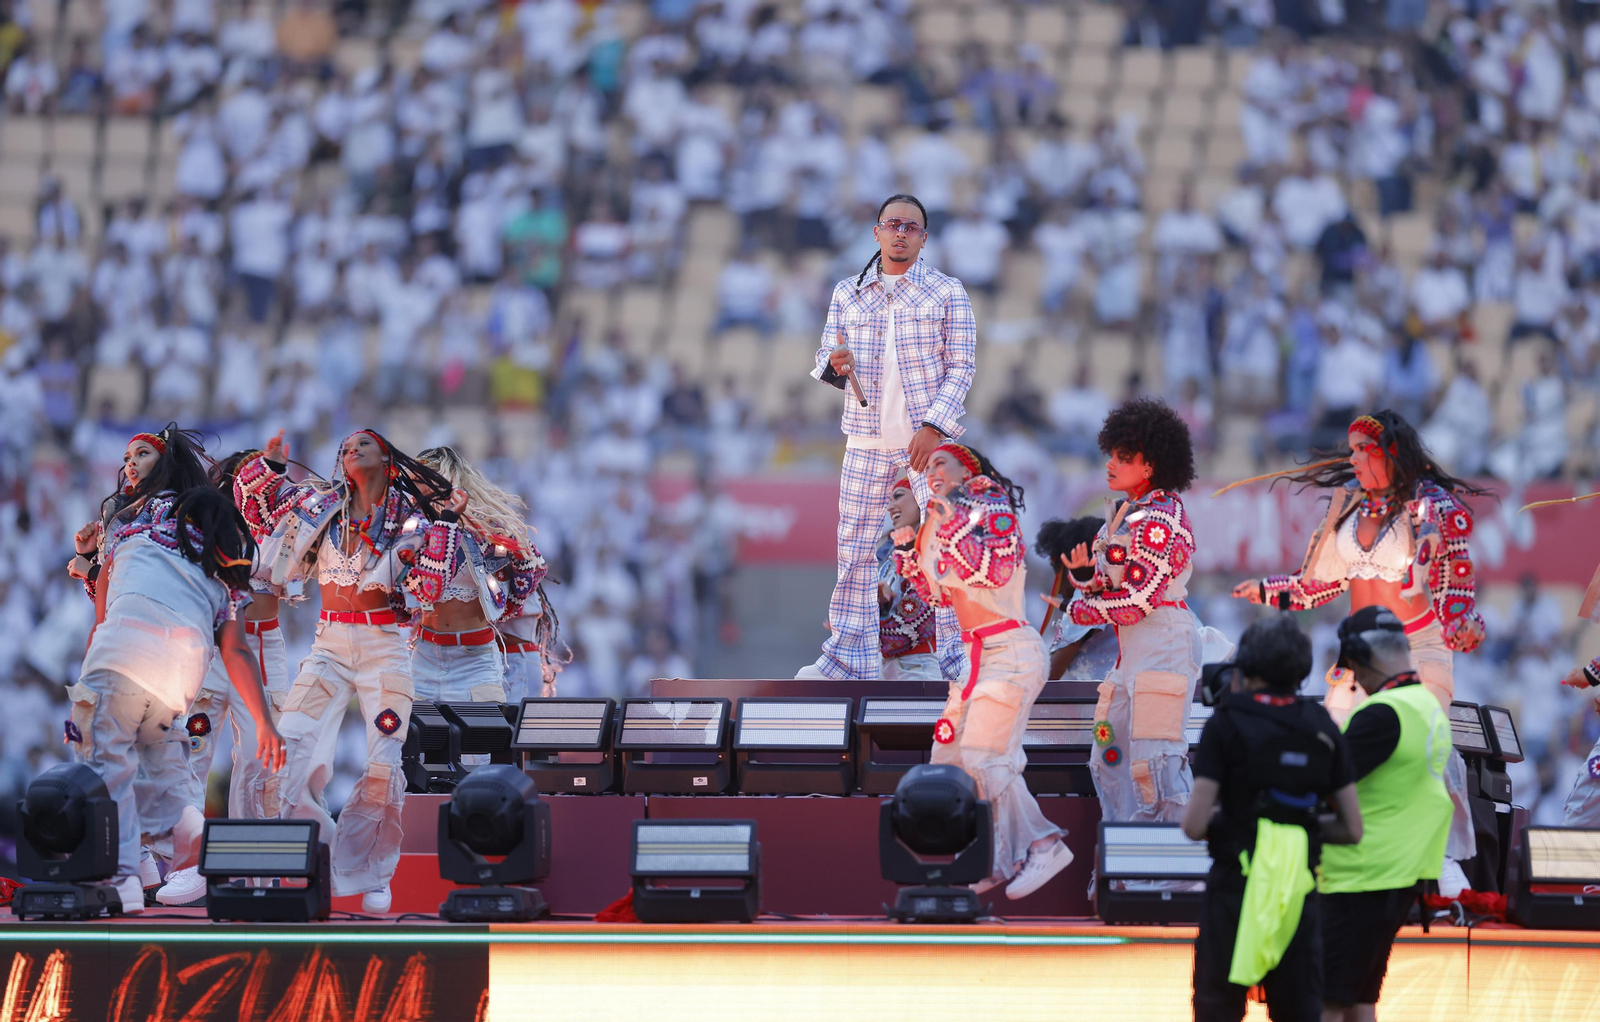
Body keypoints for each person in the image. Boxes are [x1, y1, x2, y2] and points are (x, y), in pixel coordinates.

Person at [1230, 410, 1487, 895]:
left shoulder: (1428, 506)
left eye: (1360, 451)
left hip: (1417, 648)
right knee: (1336, 744)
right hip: (1357, 657)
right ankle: (1339, 852)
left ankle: (1444, 857)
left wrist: (1462, 622)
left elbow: (1455, 581)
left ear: (1388, 453)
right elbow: (1319, 586)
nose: (1351, 459)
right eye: (1350, 451)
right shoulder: (1347, 506)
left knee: (1428, 746)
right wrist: (1268, 590)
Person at [233, 429, 452, 912]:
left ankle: (375, 873)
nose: (350, 450)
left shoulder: (410, 518)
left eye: (363, 444)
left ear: (386, 458)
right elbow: (260, 508)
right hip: (328, 646)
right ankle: (307, 852)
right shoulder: (321, 506)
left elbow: (427, 589)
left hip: (384, 651)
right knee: (287, 743)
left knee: (383, 760)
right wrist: (270, 466)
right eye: (345, 447)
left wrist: (439, 533)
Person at [67, 486, 285, 914]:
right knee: (164, 786)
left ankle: (128, 879)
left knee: (103, 775)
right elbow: (237, 651)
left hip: (119, 663)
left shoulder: (133, 536)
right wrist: (263, 722)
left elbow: (103, 613)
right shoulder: (224, 577)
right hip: (176, 680)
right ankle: (187, 862)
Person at [799, 192, 976, 681]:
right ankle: (847, 658)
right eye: (892, 224)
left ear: (924, 237)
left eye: (911, 226)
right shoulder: (847, 292)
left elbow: (962, 366)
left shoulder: (946, 292)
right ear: (876, 231)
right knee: (853, 549)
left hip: (927, 439)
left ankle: (957, 660)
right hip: (865, 437)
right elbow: (824, 359)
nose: (900, 233)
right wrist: (833, 367)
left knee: (945, 546)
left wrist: (933, 426)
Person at [891, 441, 1073, 899]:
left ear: (967, 468)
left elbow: (990, 570)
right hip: (978, 659)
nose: (931, 470)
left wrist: (944, 520)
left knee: (985, 758)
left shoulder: (988, 501)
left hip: (1008, 651)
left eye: (941, 462)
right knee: (948, 761)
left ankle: (1044, 842)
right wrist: (910, 547)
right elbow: (935, 594)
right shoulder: (942, 514)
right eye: (928, 464)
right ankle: (993, 855)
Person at [1185, 615, 1363, 1022]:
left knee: (1219, 1008)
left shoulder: (1225, 723)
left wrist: (1239, 825)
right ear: (1301, 671)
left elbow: (1193, 824)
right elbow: (1352, 829)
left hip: (1234, 889)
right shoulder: (1323, 726)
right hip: (1298, 894)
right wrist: (1299, 831)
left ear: (1245, 666)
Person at [67, 424, 215, 892]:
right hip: (152, 647)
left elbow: (169, 585)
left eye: (143, 455)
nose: (130, 463)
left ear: (167, 462)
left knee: (125, 749)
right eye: (127, 456)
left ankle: (159, 866)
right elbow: (111, 597)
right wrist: (91, 561)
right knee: (141, 753)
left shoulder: (180, 509)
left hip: (157, 644)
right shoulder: (122, 518)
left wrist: (94, 567)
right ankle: (143, 863)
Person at [153, 451, 295, 907]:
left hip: (261, 651)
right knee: (193, 751)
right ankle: (189, 865)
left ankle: (258, 867)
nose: (255, 489)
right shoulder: (207, 521)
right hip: (212, 650)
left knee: (260, 761)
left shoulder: (287, 522)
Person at [1062, 398, 1202, 826]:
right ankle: (1125, 864)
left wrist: (1087, 607)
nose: (1110, 463)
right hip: (1131, 659)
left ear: (1151, 465)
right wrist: (1086, 577)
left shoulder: (1163, 517)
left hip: (1163, 648)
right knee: (1108, 754)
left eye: (1124, 457)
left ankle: (1171, 875)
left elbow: (1140, 601)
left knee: (1155, 762)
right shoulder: (1122, 517)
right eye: (1112, 453)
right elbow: (1111, 587)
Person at [1319, 607, 1453, 1022]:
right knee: (1360, 999)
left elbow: (1323, 784)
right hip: (1400, 873)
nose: (1354, 681)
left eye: (1353, 669)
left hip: (1358, 876)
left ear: (1360, 657)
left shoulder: (1382, 714)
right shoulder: (1426, 706)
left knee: (1327, 1002)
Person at [402, 446, 554, 704]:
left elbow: (532, 566)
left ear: (449, 480)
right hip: (425, 655)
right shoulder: (411, 528)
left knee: (479, 742)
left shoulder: (485, 527)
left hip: (475, 658)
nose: (417, 486)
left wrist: (502, 608)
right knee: (420, 740)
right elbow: (421, 590)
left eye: (424, 478)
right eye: (414, 480)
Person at [1034, 515, 1119, 682]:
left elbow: (1051, 675)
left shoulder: (1087, 596)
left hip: (1100, 698)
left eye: (1056, 567)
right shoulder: (1116, 589)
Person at [878, 476, 938, 680]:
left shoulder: (936, 552)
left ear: (922, 498)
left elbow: (916, 625)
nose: (890, 507)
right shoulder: (886, 559)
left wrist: (860, 629)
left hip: (921, 669)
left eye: (898, 496)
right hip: (888, 668)